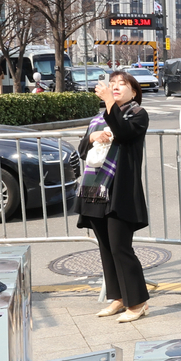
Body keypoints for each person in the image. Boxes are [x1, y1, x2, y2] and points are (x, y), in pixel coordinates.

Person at [75, 72, 151, 323]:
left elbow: (123, 131)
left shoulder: (138, 114)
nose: (115, 87)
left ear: (134, 92)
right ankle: (118, 298)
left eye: (122, 84)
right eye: (112, 84)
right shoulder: (99, 119)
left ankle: (138, 302)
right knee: (106, 248)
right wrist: (92, 137)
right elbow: (82, 150)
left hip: (120, 190)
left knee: (120, 247)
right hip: (96, 189)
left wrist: (109, 101)